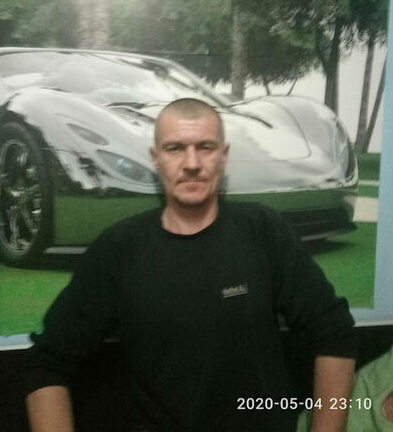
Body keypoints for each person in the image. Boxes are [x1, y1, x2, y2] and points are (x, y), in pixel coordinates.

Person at [25, 98, 356, 432]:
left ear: (223, 156)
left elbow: (334, 333)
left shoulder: (263, 231)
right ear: (156, 158)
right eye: (175, 148)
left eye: (205, 147)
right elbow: (46, 364)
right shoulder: (119, 249)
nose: (192, 163)